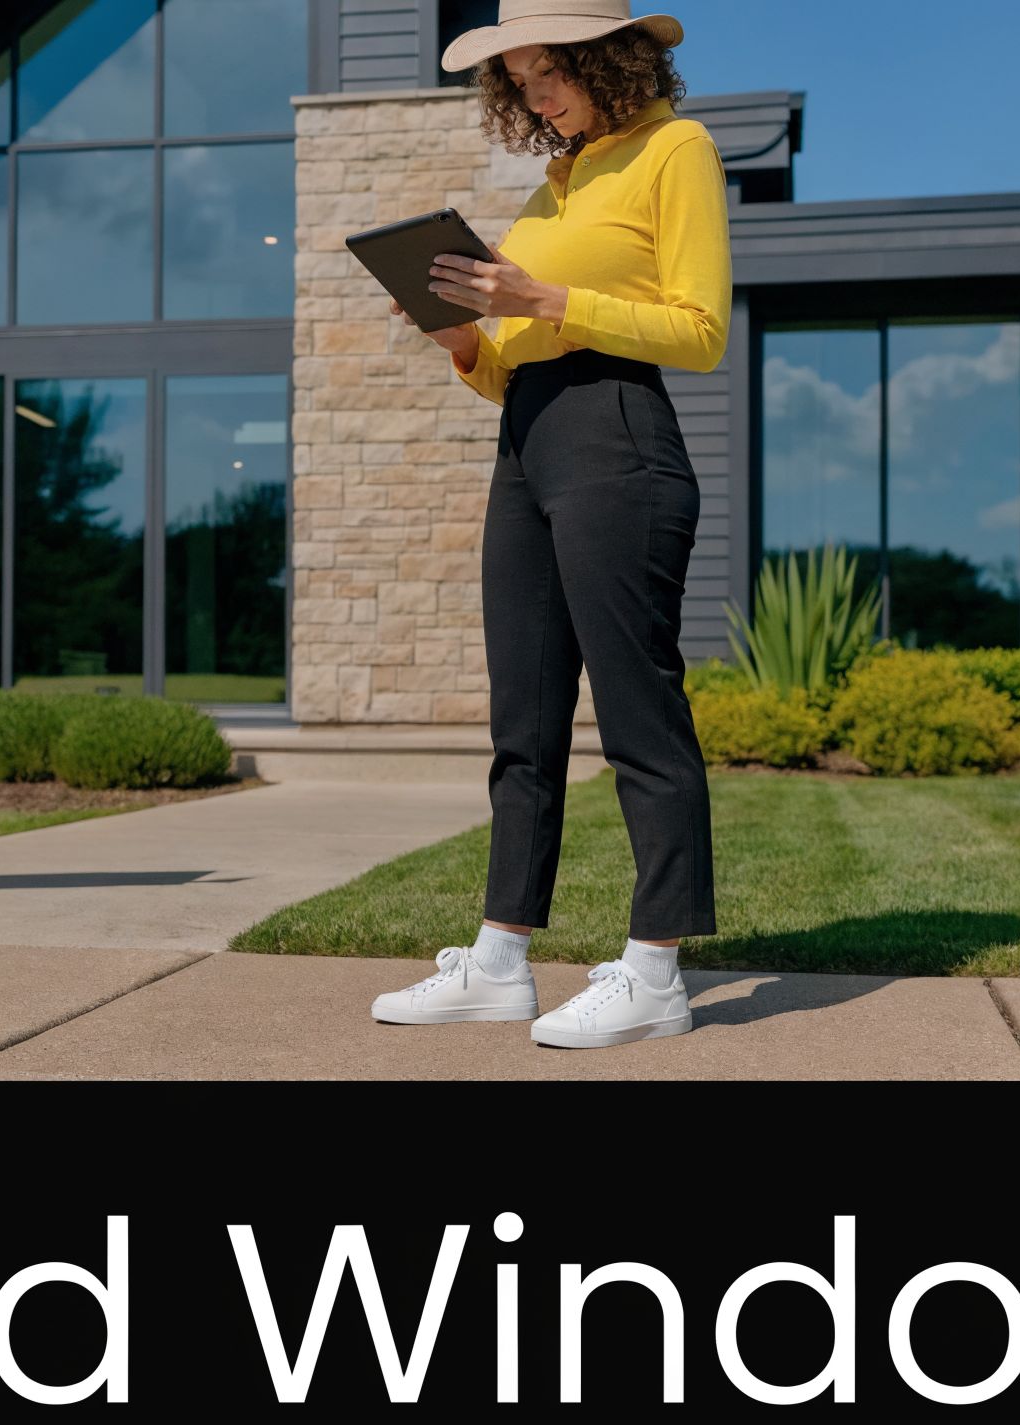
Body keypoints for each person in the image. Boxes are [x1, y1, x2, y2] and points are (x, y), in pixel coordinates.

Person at [365, 2, 726, 1050]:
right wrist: (463, 339)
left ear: (605, 59)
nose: (535, 93)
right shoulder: (550, 187)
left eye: (548, 70)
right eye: (520, 79)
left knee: (636, 714)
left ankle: (656, 971)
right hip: (527, 445)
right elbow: (514, 370)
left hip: (620, 436)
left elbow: (699, 332)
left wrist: (547, 293)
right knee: (520, 721)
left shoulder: (675, 150)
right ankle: (500, 961)